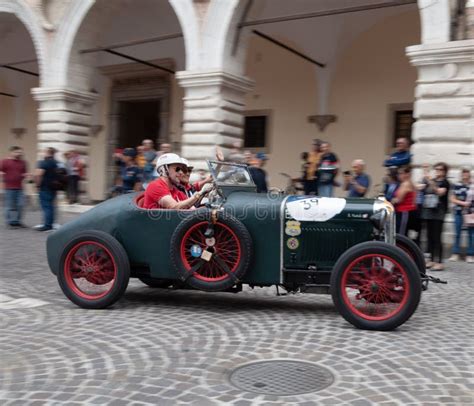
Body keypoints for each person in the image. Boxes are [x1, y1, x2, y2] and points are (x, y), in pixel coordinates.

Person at [143, 153, 213, 209]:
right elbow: (174, 207)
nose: (181, 173)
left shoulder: (176, 190)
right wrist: (200, 193)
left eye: (182, 169)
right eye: (177, 169)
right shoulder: (156, 185)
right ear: (164, 170)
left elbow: (192, 209)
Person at [418, 162, 450, 271]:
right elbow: (421, 187)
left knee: (437, 237)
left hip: (438, 212)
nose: (438, 171)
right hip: (428, 211)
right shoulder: (433, 181)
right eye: (436, 169)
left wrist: (430, 180)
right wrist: (425, 173)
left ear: (445, 171)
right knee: (429, 237)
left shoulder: (445, 182)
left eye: (440, 169)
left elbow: (439, 192)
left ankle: (439, 261)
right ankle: (431, 259)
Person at [449, 168, 473, 262]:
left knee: (471, 235)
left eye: (467, 173)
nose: (465, 175)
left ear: (469, 175)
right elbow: (452, 199)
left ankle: (470, 255)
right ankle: (455, 253)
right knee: (457, 233)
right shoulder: (457, 185)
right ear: (461, 174)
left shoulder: (472, 185)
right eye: (463, 173)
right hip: (458, 212)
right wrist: (463, 203)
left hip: (470, 213)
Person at [0, 146, 28, 228]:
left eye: (20, 152)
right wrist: (1, 173)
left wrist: (25, 175)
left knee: (21, 205)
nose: (19, 154)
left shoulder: (23, 162)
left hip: (20, 187)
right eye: (17, 152)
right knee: (9, 206)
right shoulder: (4, 161)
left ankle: (17, 222)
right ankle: (9, 222)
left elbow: (24, 173)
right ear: (11, 152)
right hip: (9, 187)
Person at [35, 147, 59, 232]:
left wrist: (37, 186)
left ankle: (47, 225)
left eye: (43, 151)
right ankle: (50, 224)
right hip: (53, 188)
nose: (42, 153)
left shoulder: (44, 163)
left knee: (46, 207)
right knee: (51, 207)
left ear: (47, 153)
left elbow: (39, 175)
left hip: (45, 187)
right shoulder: (56, 163)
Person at [391, 166, 416, 236]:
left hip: (404, 211)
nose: (399, 176)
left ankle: (400, 247)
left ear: (406, 174)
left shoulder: (405, 184)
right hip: (404, 211)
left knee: (401, 233)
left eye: (401, 173)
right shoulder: (408, 183)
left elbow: (399, 199)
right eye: (399, 174)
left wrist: (392, 201)